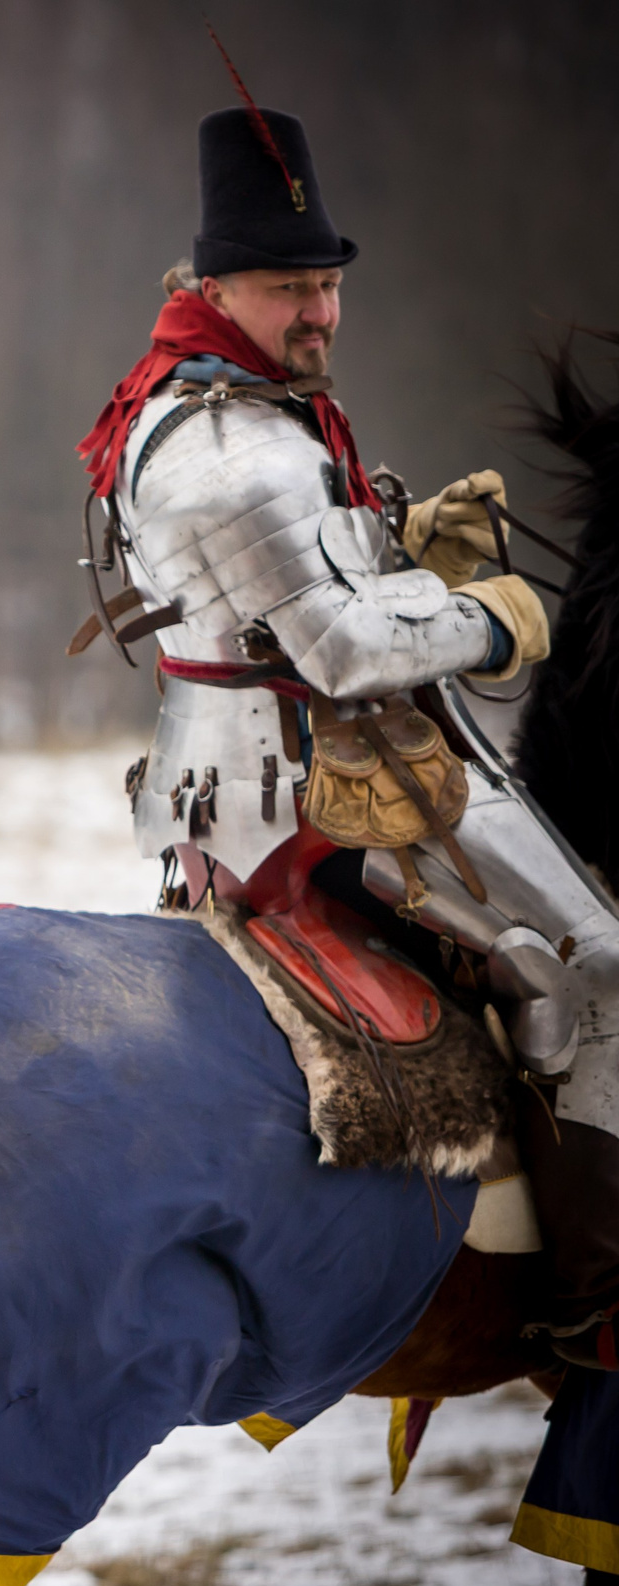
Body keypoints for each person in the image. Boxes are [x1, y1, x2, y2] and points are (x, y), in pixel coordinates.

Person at [75, 101, 619, 1364]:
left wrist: (400, 544)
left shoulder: (234, 400)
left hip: (266, 777)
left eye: (326, 285)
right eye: (286, 289)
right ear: (214, 284)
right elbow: (339, 652)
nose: (316, 313)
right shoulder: (226, 444)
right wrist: (490, 619)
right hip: (321, 801)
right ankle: (591, 1299)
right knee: (598, 958)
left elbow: (285, 598)